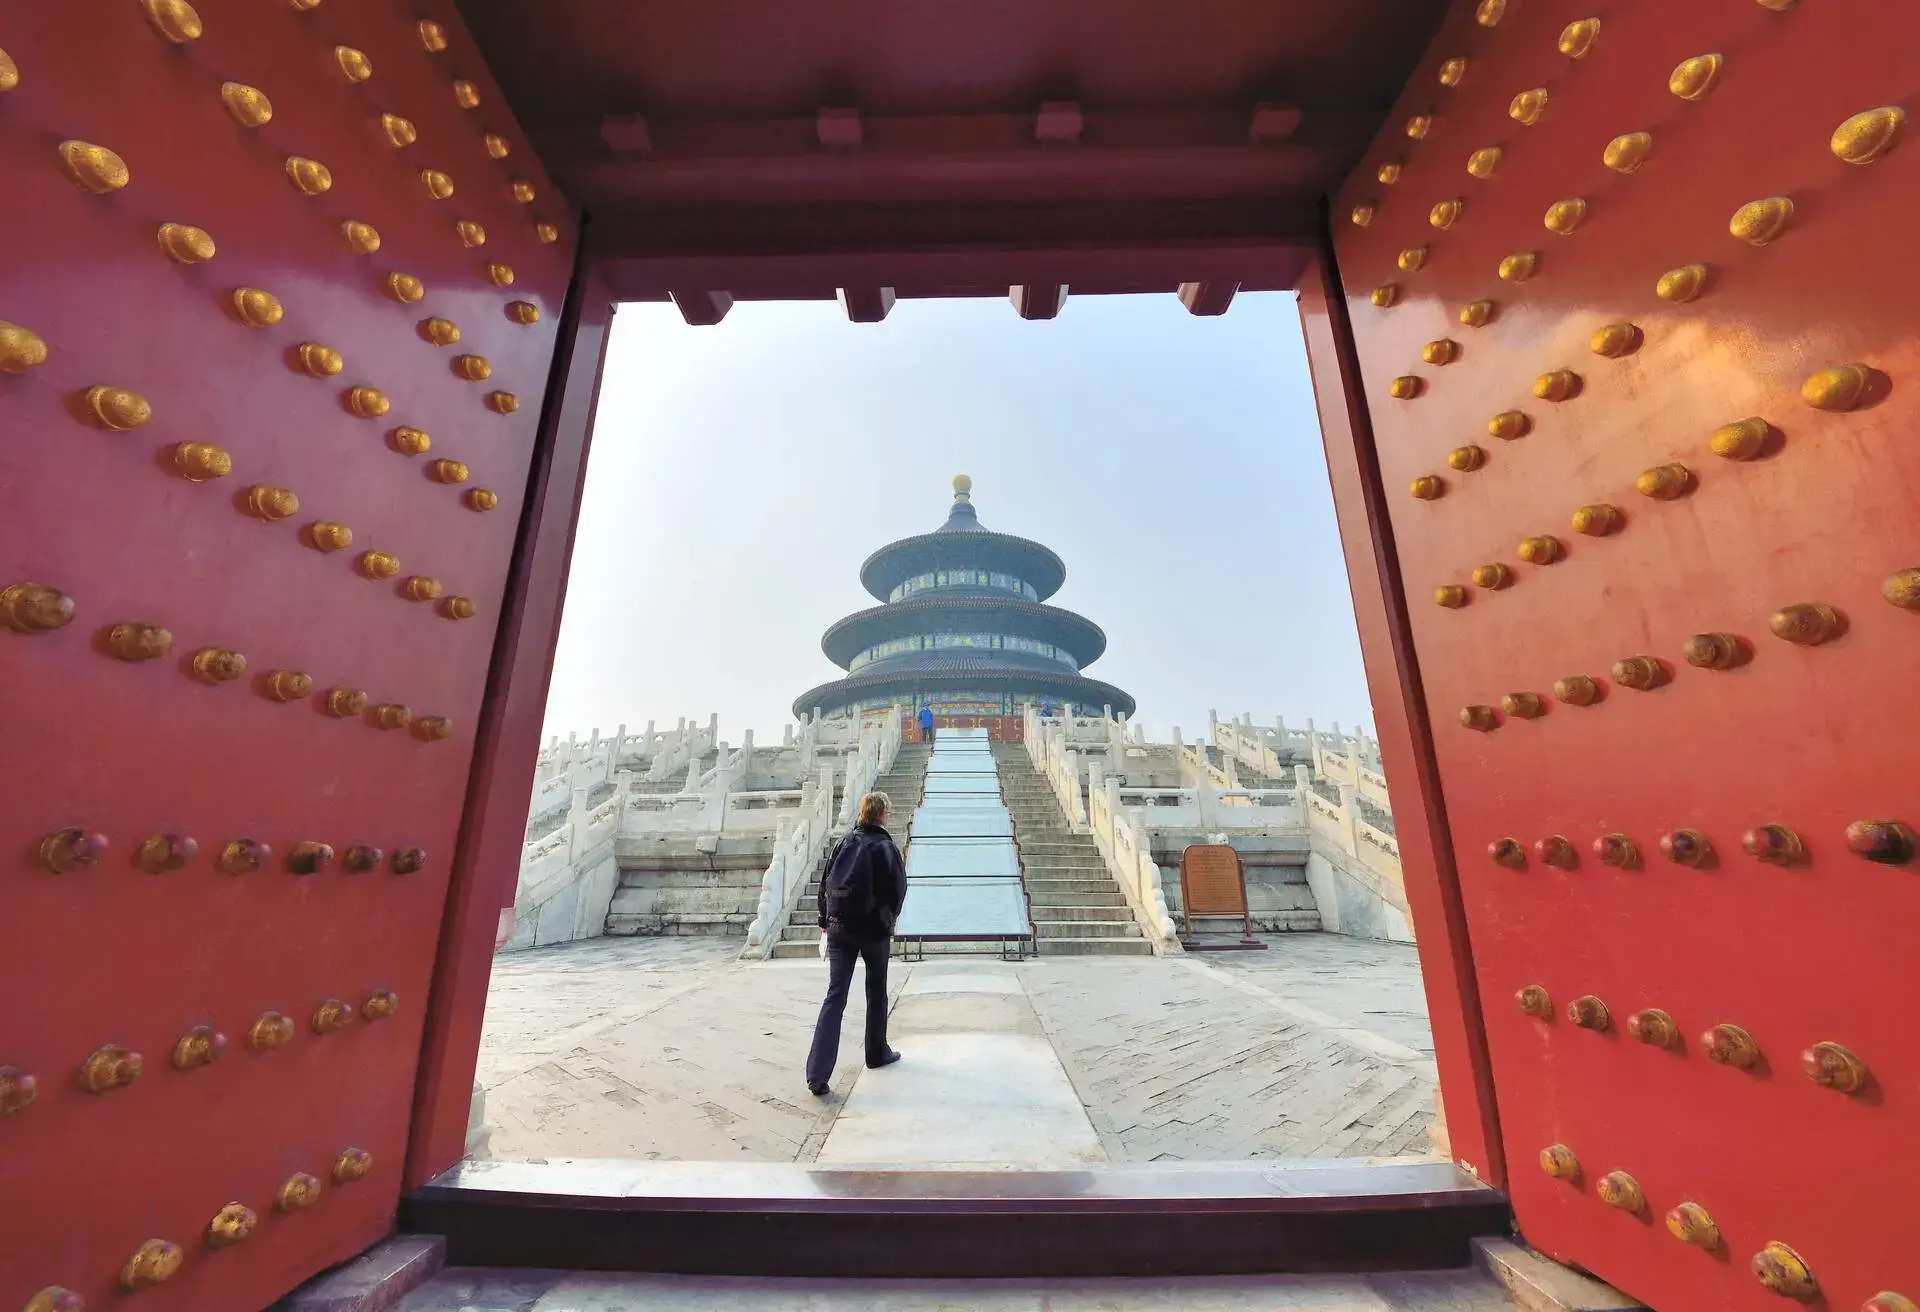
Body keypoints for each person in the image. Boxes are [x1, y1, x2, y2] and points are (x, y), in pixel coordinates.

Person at [804, 790, 908, 1096]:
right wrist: (887, 920)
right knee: (876, 992)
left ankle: (817, 1074)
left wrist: (825, 922)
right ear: (882, 815)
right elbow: (898, 889)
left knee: (835, 996)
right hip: (873, 931)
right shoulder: (885, 846)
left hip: (839, 929)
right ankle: (876, 1053)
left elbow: (825, 884)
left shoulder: (844, 842)